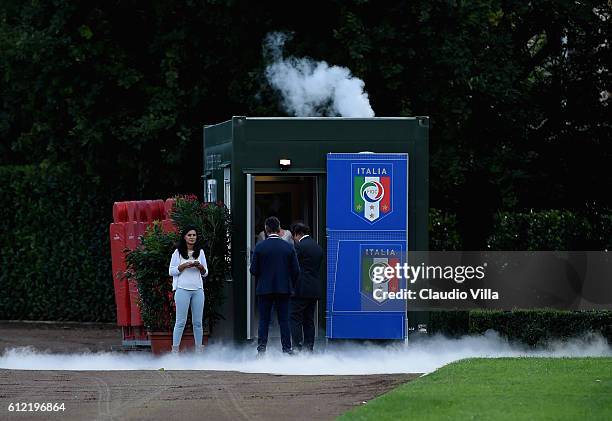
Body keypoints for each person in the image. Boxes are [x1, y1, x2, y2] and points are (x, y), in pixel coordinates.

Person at [250, 216, 300, 355]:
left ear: (266, 229)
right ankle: (287, 349)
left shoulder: (260, 247)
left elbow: (253, 270)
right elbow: (296, 270)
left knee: (264, 320)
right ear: (279, 229)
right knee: (284, 320)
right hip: (284, 289)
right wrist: (290, 284)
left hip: (264, 289)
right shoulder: (288, 247)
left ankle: (261, 349)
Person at [168, 225, 208, 353]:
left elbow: (205, 273)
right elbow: (171, 271)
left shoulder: (200, 252)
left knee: (198, 322)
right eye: (189, 235)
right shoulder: (178, 252)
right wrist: (184, 265)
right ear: (184, 237)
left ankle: (199, 350)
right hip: (182, 289)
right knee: (180, 321)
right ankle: (175, 351)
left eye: (194, 235)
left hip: (197, 289)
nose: (192, 237)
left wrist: (200, 267)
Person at [290, 222, 323, 352]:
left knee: (295, 317)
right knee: (309, 319)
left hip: (300, 288)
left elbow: (293, 267)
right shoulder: (317, 247)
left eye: (294, 236)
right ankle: (309, 349)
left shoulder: (299, 247)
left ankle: (297, 348)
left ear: (297, 234)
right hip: (314, 288)